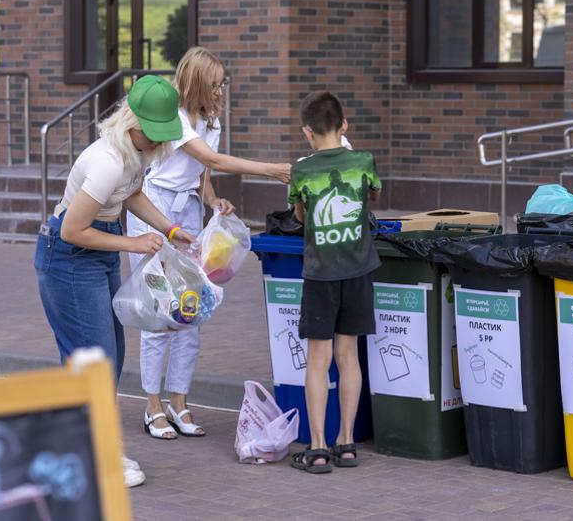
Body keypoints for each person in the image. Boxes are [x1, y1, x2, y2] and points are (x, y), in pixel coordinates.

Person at [34, 75, 194, 487]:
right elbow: (72, 230)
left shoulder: (136, 152)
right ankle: (98, 456)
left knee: (109, 355)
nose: (158, 141)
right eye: (152, 132)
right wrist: (133, 243)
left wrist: (170, 228)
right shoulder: (107, 160)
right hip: (70, 258)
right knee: (96, 360)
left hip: (95, 255)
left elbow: (132, 194)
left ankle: (80, 447)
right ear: (131, 121)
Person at [127, 46, 291, 440]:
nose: (220, 91)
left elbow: (202, 172)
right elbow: (211, 159)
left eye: (222, 83)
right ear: (198, 84)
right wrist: (271, 169)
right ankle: (152, 405)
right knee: (158, 311)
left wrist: (213, 199)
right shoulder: (175, 118)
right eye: (215, 84)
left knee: (191, 310)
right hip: (155, 207)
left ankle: (179, 402)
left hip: (187, 207)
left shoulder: (210, 120)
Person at [288, 91, 381, 473]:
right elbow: (372, 196)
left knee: (318, 360)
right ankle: (346, 443)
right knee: (348, 357)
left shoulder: (301, 170)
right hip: (358, 271)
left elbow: (299, 215)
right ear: (344, 125)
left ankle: (317, 448)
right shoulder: (364, 161)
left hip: (321, 274)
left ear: (307, 132)